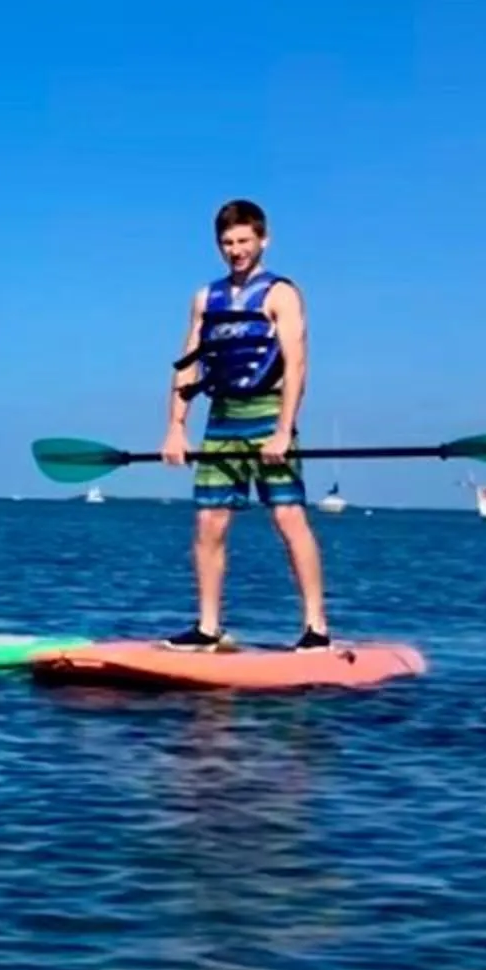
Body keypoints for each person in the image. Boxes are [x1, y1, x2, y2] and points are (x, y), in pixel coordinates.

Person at [158, 197, 328, 649]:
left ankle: (316, 627)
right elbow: (186, 365)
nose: (236, 250)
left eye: (244, 241)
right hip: (222, 419)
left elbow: (297, 365)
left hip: (269, 414)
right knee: (209, 522)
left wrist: (283, 429)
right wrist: (176, 426)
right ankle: (208, 627)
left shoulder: (281, 294)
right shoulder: (204, 299)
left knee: (288, 516)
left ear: (263, 240)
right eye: (227, 243)